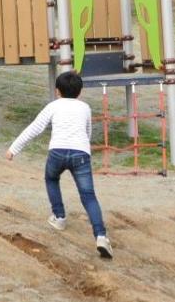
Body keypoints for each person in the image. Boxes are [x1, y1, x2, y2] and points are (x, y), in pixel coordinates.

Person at [6, 70, 112, 259]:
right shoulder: (85, 108)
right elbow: (87, 132)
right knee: (88, 196)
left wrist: (14, 148)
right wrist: (83, 150)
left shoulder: (53, 106)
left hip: (58, 152)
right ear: (80, 92)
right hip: (81, 153)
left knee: (51, 178)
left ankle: (59, 216)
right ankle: (101, 236)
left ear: (57, 91)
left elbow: (35, 128)